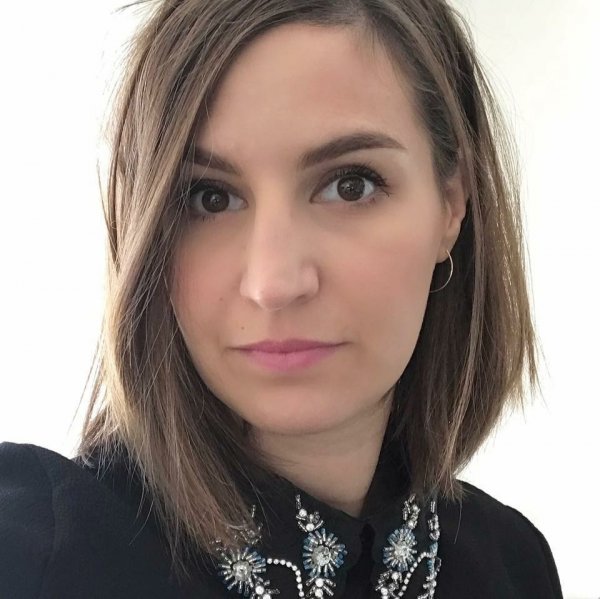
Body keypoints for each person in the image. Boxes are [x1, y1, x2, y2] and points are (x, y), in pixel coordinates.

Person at [0, 0, 563, 597]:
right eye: (209, 197)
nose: (273, 283)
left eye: (351, 185)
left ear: (451, 203)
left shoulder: (513, 564)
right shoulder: (32, 552)